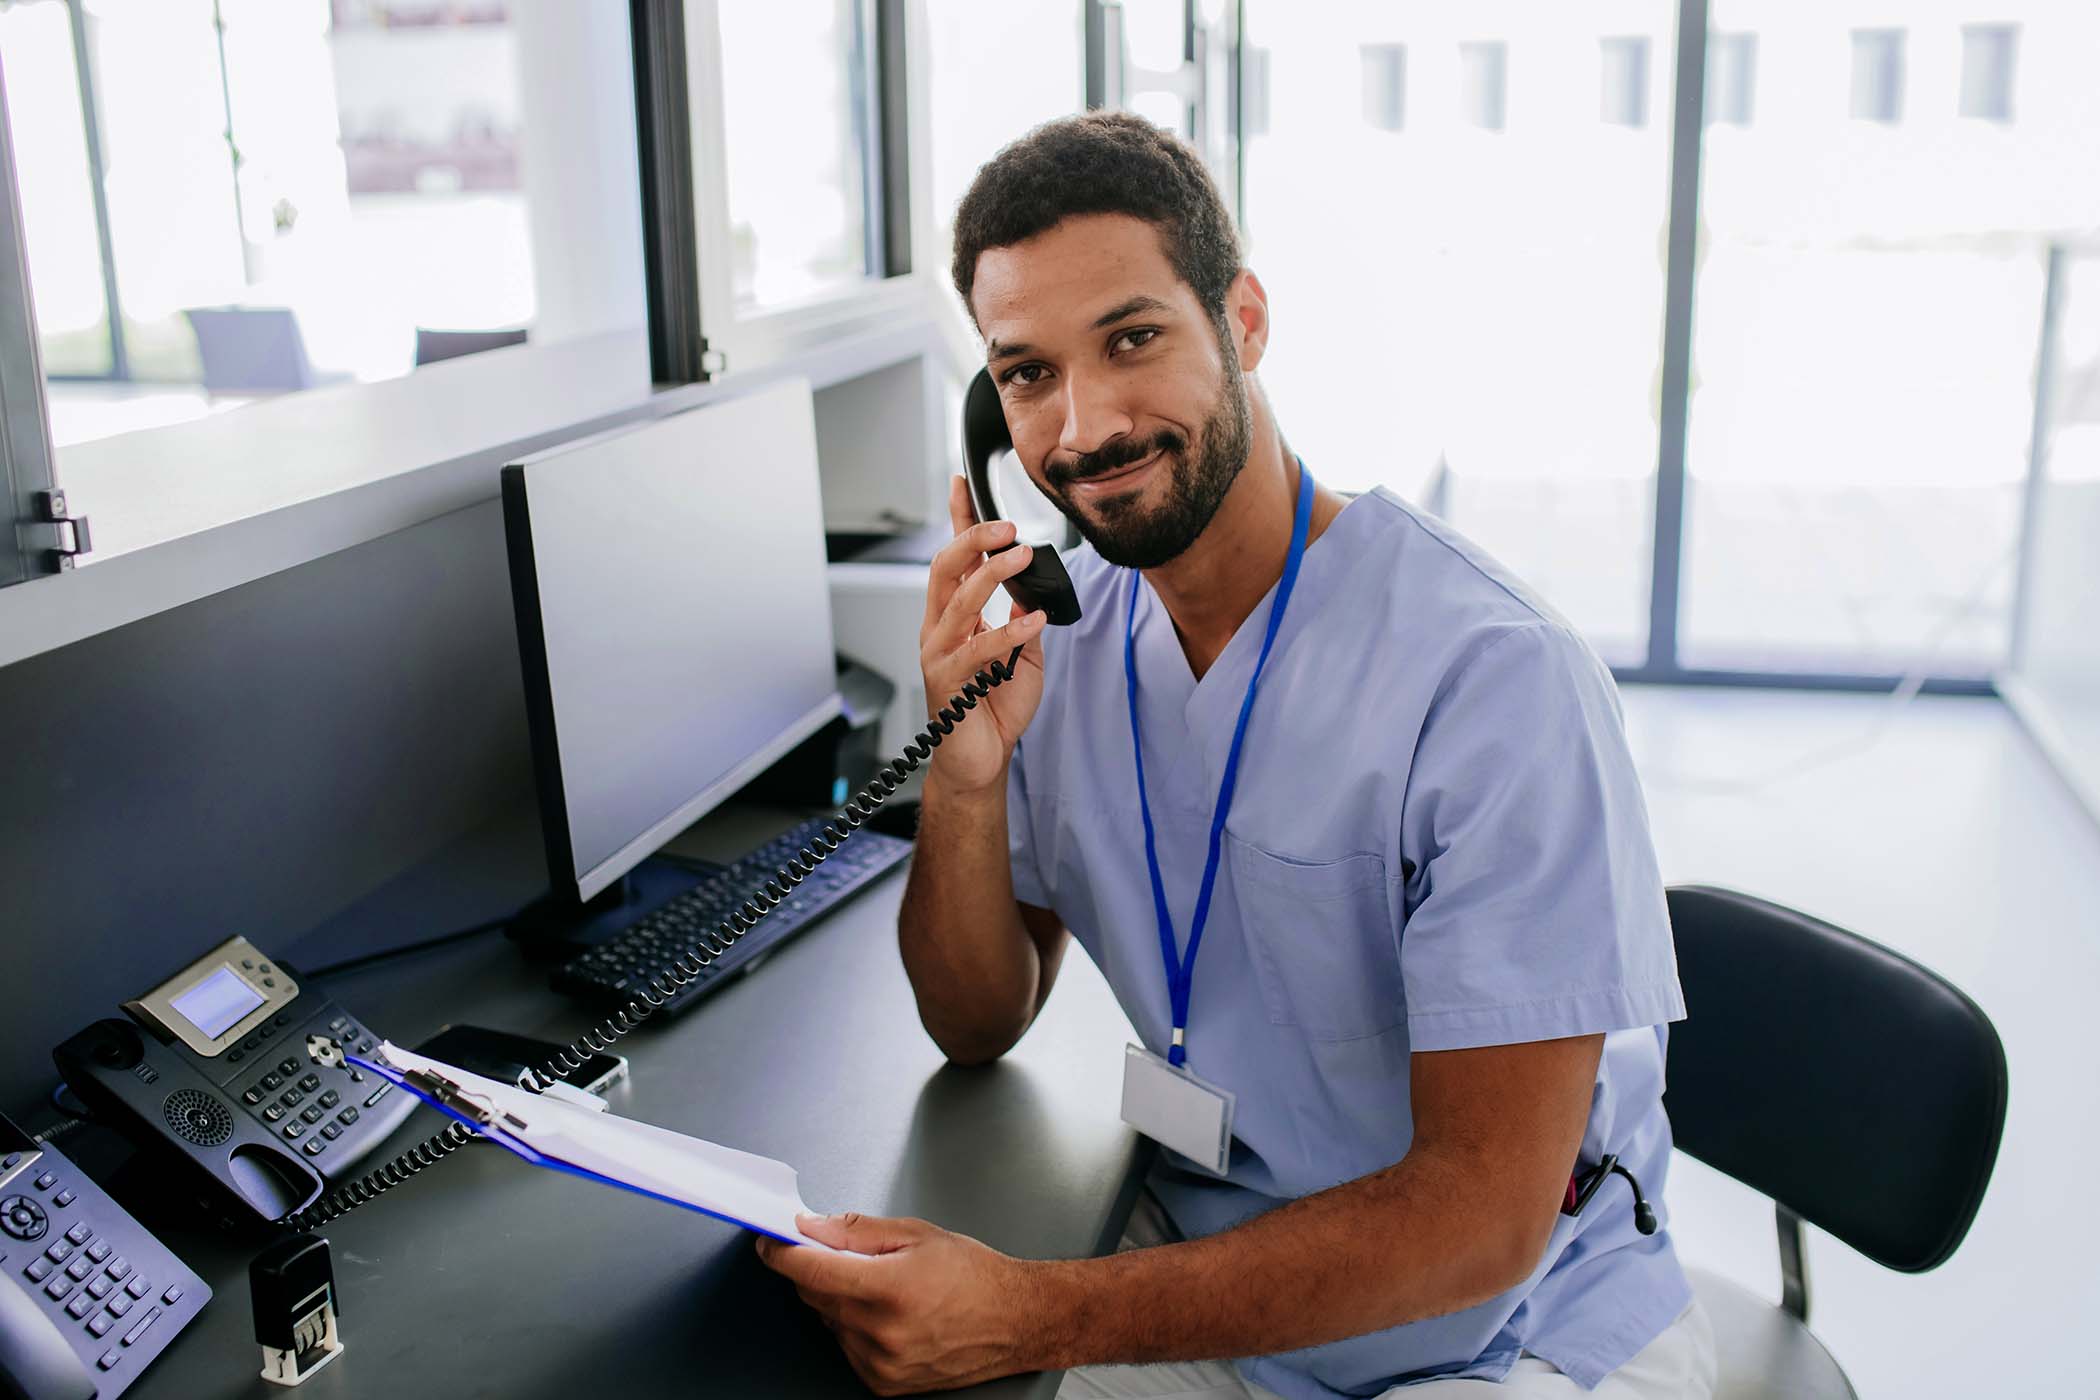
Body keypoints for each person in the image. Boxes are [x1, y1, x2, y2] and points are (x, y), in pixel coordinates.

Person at [756, 111, 1715, 1400]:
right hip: (1215, 1281)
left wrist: (1036, 1314)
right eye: (1028, 372)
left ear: (1244, 321)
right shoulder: (1064, 647)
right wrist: (965, 782)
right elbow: (976, 1018)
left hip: (1501, 1331)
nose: (1084, 425)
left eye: (1133, 338)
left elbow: (1481, 1220)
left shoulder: (1492, 680)